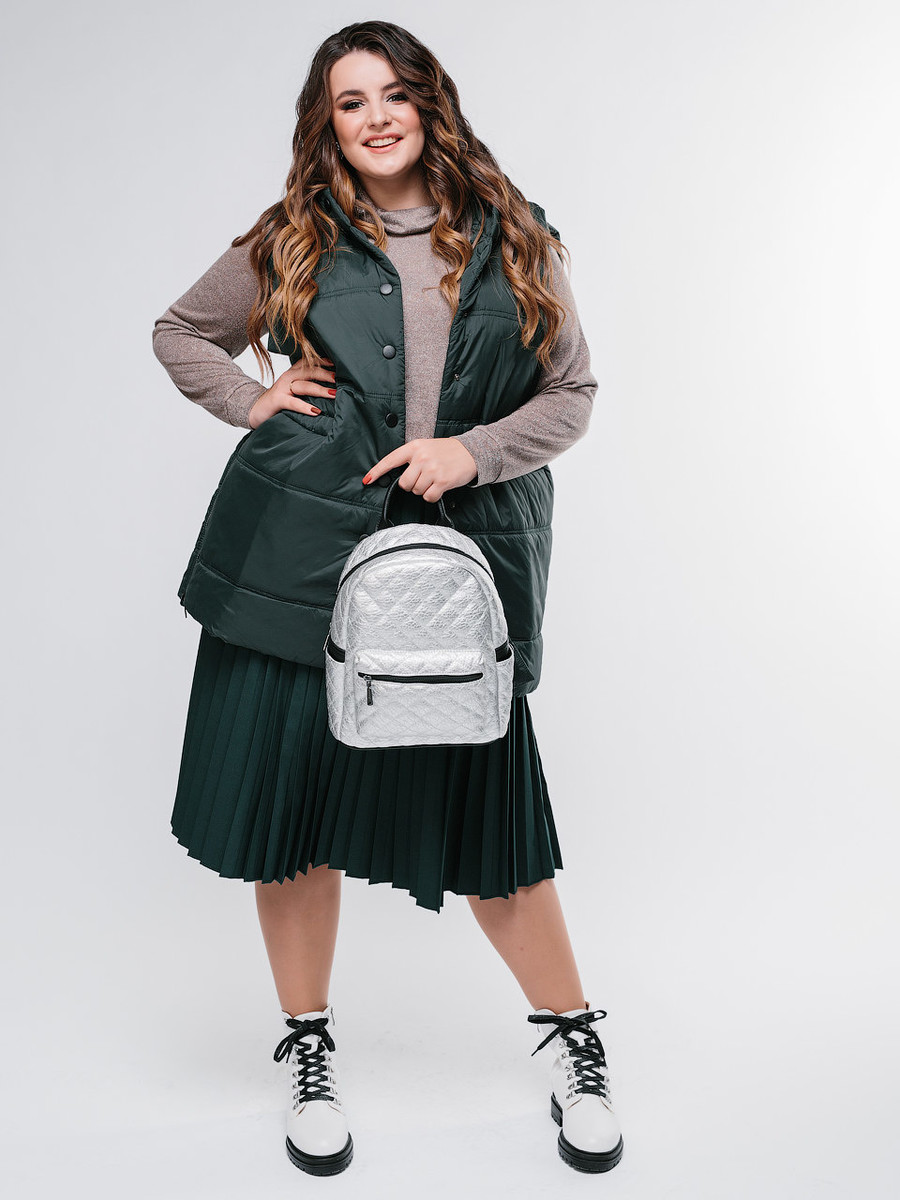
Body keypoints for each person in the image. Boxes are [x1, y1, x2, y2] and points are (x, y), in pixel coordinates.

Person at [152, 19, 623, 1178]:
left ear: (429, 103)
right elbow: (181, 332)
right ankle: (307, 1044)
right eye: (350, 100)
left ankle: (573, 1036)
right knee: (290, 820)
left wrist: (472, 452)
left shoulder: (516, 233)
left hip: (455, 575)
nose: (375, 118)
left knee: (494, 824)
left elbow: (571, 394)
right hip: (297, 559)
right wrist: (255, 399)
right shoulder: (295, 234)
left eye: (393, 94)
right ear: (328, 122)